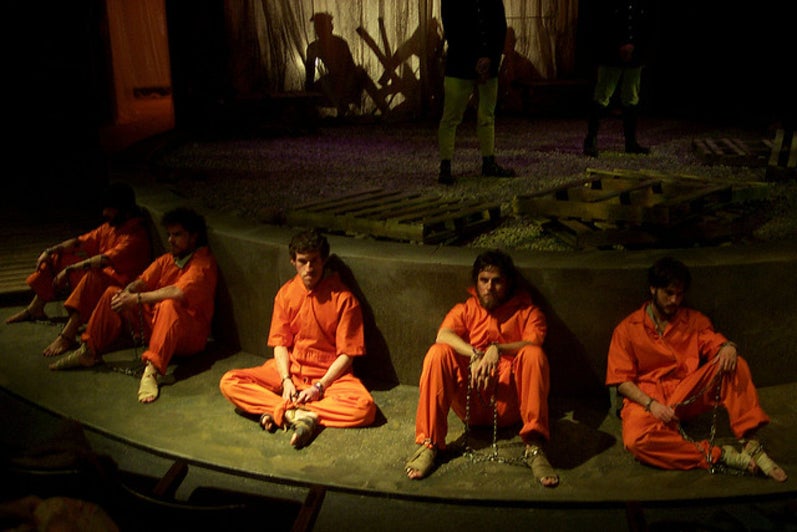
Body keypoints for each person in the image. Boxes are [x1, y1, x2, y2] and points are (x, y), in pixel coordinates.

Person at [606, 257, 787, 482]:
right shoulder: (627, 329)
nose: (675, 300)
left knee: (733, 363)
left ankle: (750, 441)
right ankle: (716, 455)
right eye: (669, 293)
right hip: (647, 397)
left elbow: (714, 343)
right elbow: (621, 381)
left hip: (685, 392)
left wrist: (727, 347)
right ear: (652, 289)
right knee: (636, 441)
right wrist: (652, 405)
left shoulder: (694, 320)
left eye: (680, 294)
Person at [404, 250, 558, 487]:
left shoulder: (528, 312)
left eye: (497, 281)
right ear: (476, 282)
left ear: (508, 283)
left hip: (510, 403)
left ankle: (535, 448)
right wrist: (475, 354)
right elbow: (443, 335)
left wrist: (499, 349)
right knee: (438, 353)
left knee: (534, 355)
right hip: (471, 399)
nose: (489, 287)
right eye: (484, 280)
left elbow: (534, 341)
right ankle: (429, 444)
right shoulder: (466, 309)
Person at [219, 229, 376, 449]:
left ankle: (278, 410)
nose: (309, 268)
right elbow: (280, 343)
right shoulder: (286, 293)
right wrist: (286, 380)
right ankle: (297, 415)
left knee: (365, 409)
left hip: (330, 377)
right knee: (229, 382)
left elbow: (347, 354)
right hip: (291, 370)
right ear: (293, 261)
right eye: (303, 262)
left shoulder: (344, 299)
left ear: (323, 261)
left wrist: (319, 387)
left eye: (314, 261)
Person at [48, 208, 218, 404]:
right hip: (157, 326)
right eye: (169, 235)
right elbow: (142, 281)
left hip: (187, 335)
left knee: (168, 305)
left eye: (177, 235)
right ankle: (89, 350)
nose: (170, 240)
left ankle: (152, 371)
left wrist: (136, 298)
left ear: (193, 237)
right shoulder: (168, 259)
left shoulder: (202, 263)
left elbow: (177, 292)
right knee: (114, 293)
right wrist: (128, 292)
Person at [5, 182, 151, 358]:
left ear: (124, 210)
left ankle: (68, 336)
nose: (105, 214)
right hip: (100, 283)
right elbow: (79, 242)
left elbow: (103, 261)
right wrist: (49, 251)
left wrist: (68, 271)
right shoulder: (112, 226)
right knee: (59, 256)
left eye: (110, 209)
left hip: (117, 293)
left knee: (93, 275)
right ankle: (36, 308)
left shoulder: (135, 236)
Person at [437, 0, 516, 185]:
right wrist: (476, 60)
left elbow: (499, 26)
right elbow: (453, 30)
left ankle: (488, 162)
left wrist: (490, 57)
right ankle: (445, 166)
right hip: (460, 65)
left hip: (487, 64)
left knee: (487, 115)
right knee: (451, 117)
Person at [582, 0, 654, 157]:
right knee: (602, 95)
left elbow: (646, 24)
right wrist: (617, 46)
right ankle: (591, 140)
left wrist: (635, 46)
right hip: (611, 56)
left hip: (635, 56)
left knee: (631, 97)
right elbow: (600, 23)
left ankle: (631, 142)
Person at [304, 12, 388, 118]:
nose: (330, 27)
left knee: (361, 75)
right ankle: (322, 111)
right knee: (323, 83)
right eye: (318, 27)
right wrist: (308, 92)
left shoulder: (340, 43)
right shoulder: (314, 47)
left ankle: (384, 109)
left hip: (347, 79)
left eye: (329, 25)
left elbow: (348, 66)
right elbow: (309, 74)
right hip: (334, 81)